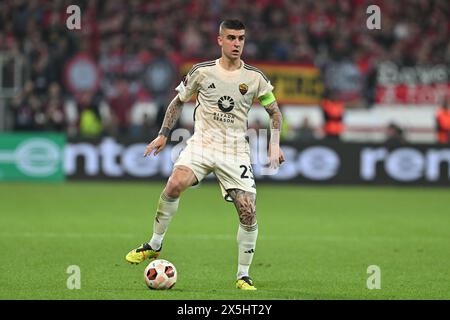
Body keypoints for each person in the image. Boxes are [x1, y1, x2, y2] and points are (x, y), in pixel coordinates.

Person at [125, 19, 285, 291]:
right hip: (202, 144)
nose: (237, 43)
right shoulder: (201, 72)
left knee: (248, 210)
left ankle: (242, 275)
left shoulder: (255, 78)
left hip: (235, 150)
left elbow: (274, 112)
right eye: (232, 38)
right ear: (220, 40)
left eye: (241, 38)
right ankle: (154, 244)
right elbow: (178, 101)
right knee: (174, 183)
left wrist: (274, 144)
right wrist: (164, 133)